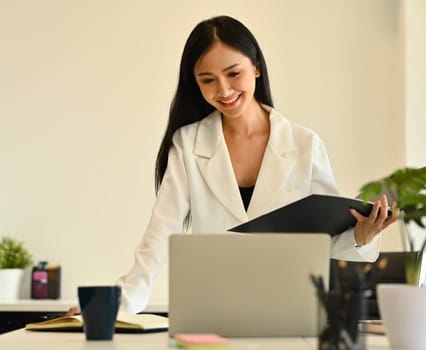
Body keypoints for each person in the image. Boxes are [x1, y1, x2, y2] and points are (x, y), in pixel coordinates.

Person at [69, 15, 398, 315]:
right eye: (207, 80)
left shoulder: (303, 144)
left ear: (256, 66)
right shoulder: (188, 144)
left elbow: (324, 238)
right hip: (211, 313)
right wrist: (114, 308)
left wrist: (360, 235)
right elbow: (157, 240)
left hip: (290, 312)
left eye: (233, 74)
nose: (223, 91)